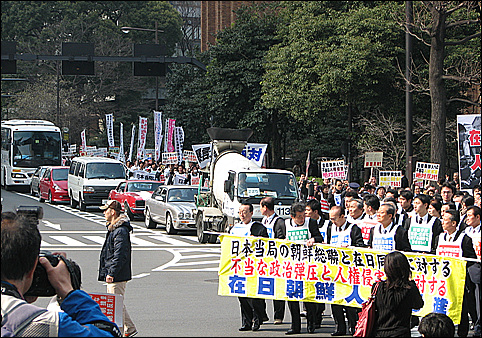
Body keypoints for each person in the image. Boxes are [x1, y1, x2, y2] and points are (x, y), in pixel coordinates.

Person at [1, 212, 121, 337]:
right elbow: (109, 333)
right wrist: (68, 291)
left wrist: (18, 298)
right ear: (32, 269)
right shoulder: (47, 325)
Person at [433, 209, 477, 338]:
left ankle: (462, 332)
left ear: (453, 223)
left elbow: (471, 259)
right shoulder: (439, 237)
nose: (442, 222)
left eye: (445, 220)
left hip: (458, 280)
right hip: (442, 280)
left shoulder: (464, 239)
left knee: (461, 307)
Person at [98, 200, 137, 337]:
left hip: (117, 275)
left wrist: (112, 273)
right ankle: (129, 329)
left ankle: (121, 332)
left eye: (106, 210)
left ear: (113, 212)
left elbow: (120, 255)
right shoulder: (115, 228)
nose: (104, 213)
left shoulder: (120, 231)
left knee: (116, 305)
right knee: (117, 303)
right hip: (115, 273)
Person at [284, 202, 324, 335]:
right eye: (299, 217)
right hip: (292, 266)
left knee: (309, 295)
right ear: (292, 216)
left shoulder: (311, 222)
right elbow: (277, 241)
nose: (302, 219)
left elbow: (320, 237)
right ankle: (295, 326)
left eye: (303, 216)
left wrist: (313, 239)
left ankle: (311, 324)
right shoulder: (284, 224)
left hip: (308, 265)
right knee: (292, 296)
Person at [326, 206, 365, 336]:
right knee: (335, 299)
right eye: (331, 219)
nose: (333, 222)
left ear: (343, 216)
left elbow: (361, 246)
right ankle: (339, 326)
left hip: (349, 270)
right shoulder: (330, 228)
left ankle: (353, 326)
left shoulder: (353, 229)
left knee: (349, 301)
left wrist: (350, 248)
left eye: (335, 219)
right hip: (334, 268)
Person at [230, 203, 268, 332]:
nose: (242, 214)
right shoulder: (235, 228)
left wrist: (256, 239)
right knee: (242, 296)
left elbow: (266, 245)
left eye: (245, 211)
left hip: (254, 267)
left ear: (251, 213)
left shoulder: (258, 227)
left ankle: (257, 319)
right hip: (239, 266)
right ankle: (246, 322)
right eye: (240, 211)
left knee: (254, 295)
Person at [371, 251, 424, 337]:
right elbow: (418, 304)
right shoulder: (409, 288)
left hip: (379, 333)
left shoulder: (377, 287)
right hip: (401, 333)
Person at [260, 197, 286, 325]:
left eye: (261, 206)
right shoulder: (263, 220)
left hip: (276, 259)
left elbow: (281, 239)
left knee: (278, 289)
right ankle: (262, 314)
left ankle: (278, 316)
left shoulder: (279, 221)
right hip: (264, 258)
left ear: (265, 208)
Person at [463, 206, 481, 337]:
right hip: (466, 267)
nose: (467, 218)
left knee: (478, 298)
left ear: (478, 217)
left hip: (478, 268)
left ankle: (479, 325)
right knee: (469, 298)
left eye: (470, 215)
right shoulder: (466, 231)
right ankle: (474, 320)